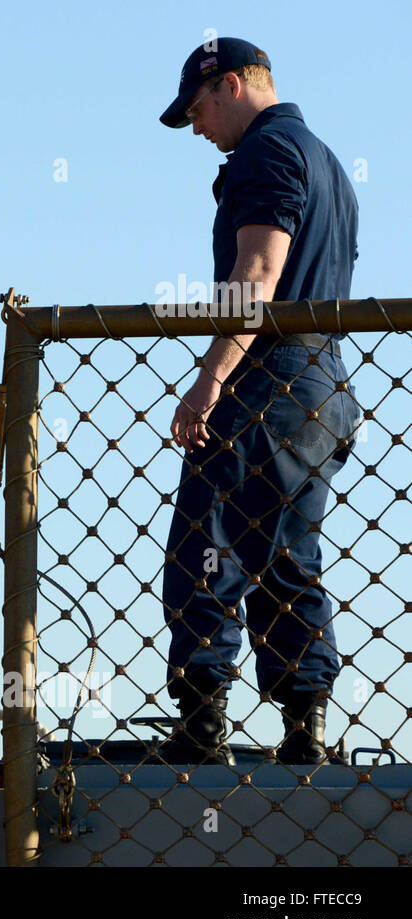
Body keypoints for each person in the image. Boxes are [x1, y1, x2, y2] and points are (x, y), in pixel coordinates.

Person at [158, 38, 361, 765]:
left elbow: (258, 270)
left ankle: (202, 719)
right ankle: (305, 727)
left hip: (269, 380)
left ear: (233, 85)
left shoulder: (266, 153)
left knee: (205, 546)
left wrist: (212, 378)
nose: (199, 128)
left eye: (200, 108)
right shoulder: (330, 164)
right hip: (323, 384)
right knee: (282, 552)